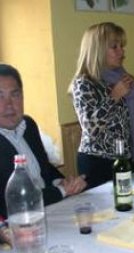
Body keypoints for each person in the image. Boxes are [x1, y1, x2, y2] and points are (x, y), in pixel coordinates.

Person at [70, 22, 134, 188]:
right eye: (114, 47)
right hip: (98, 162)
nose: (122, 52)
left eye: (121, 46)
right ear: (98, 50)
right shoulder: (84, 83)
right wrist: (113, 97)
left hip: (125, 157)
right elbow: (90, 128)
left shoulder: (120, 77)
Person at [0, 64, 86, 220]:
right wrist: (62, 190)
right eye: (0, 96)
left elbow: (44, 168)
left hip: (50, 209)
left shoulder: (28, 125)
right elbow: (14, 201)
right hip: (20, 223)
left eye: (15, 94)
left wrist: (64, 181)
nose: (9, 105)